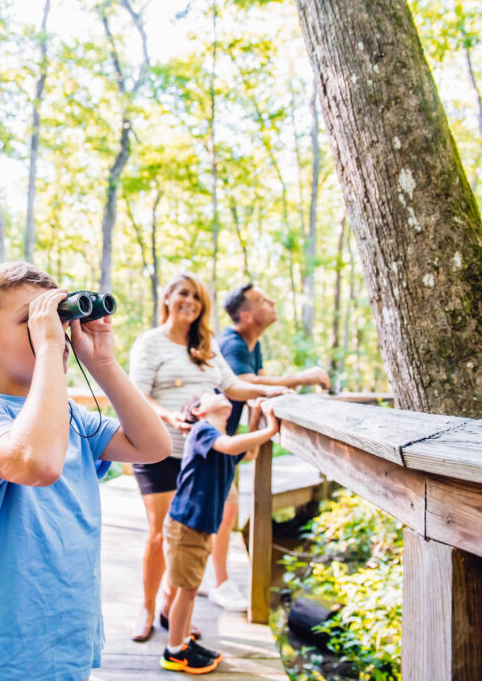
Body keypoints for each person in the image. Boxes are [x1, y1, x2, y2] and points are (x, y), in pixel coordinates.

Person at [0, 262, 172, 680]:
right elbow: (38, 464)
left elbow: (154, 446)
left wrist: (103, 363)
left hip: (68, 636)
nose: (55, 331)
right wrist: (48, 350)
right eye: (34, 320)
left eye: (57, 318)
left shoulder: (70, 415)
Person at [127, 272, 289, 643]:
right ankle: (147, 608)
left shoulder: (207, 345)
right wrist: (171, 417)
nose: (191, 301)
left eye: (197, 297)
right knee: (160, 534)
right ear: (167, 297)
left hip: (198, 457)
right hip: (158, 449)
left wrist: (276, 390)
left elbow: (233, 386)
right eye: (183, 293)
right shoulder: (150, 343)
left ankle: (171, 609)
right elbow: (138, 395)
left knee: (186, 534)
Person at [203, 283, 330, 611]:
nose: (272, 302)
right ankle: (217, 582)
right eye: (262, 300)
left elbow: (259, 379)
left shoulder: (252, 344)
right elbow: (247, 383)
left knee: (222, 508)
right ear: (245, 315)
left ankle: (204, 576)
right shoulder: (232, 343)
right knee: (224, 508)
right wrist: (302, 377)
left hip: (223, 438)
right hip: (207, 439)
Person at [160, 391, 280, 674]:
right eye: (212, 394)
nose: (220, 394)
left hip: (199, 526)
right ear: (198, 411)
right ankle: (174, 651)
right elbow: (232, 445)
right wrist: (271, 429)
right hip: (186, 525)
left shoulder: (221, 440)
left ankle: (183, 642)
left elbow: (249, 452)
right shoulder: (202, 432)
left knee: (190, 589)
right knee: (186, 590)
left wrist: (255, 419)